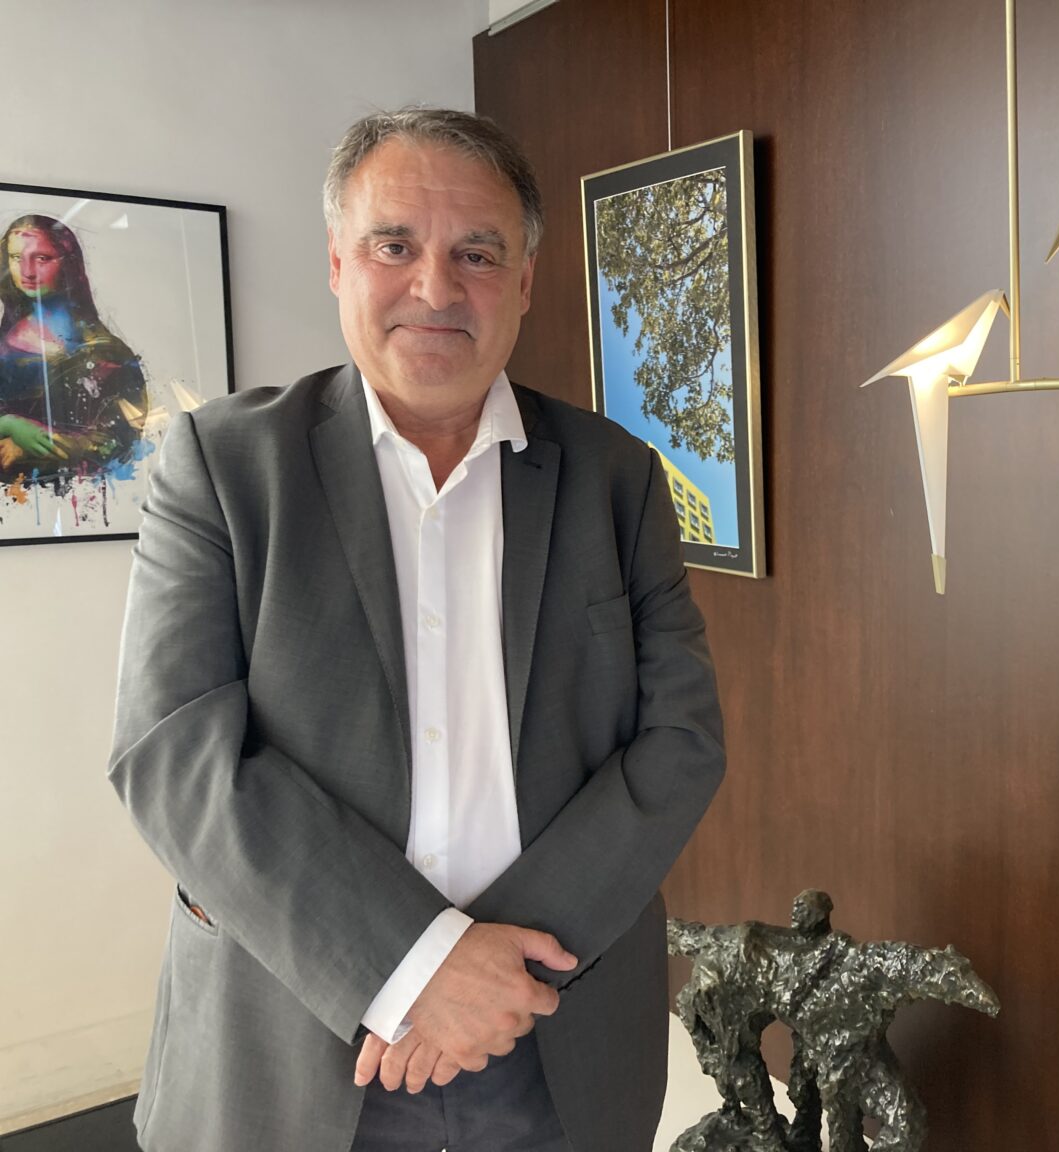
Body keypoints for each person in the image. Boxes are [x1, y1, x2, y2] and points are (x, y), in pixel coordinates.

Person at [108, 107, 726, 1152]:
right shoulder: (223, 467)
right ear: (338, 264)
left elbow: (680, 742)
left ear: (524, 281)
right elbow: (174, 755)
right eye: (394, 246)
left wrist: (491, 977)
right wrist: (415, 965)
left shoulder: (617, 479)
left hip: (555, 1041)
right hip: (289, 1048)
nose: (436, 290)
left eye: (477, 254)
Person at [0, 214, 147, 479]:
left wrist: (27, 449)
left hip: (83, 492)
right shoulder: (4, 344)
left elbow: (121, 440)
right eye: (16, 257)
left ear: (68, 264)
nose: (27, 271)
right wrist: (9, 425)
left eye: (42, 258)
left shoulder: (106, 353)